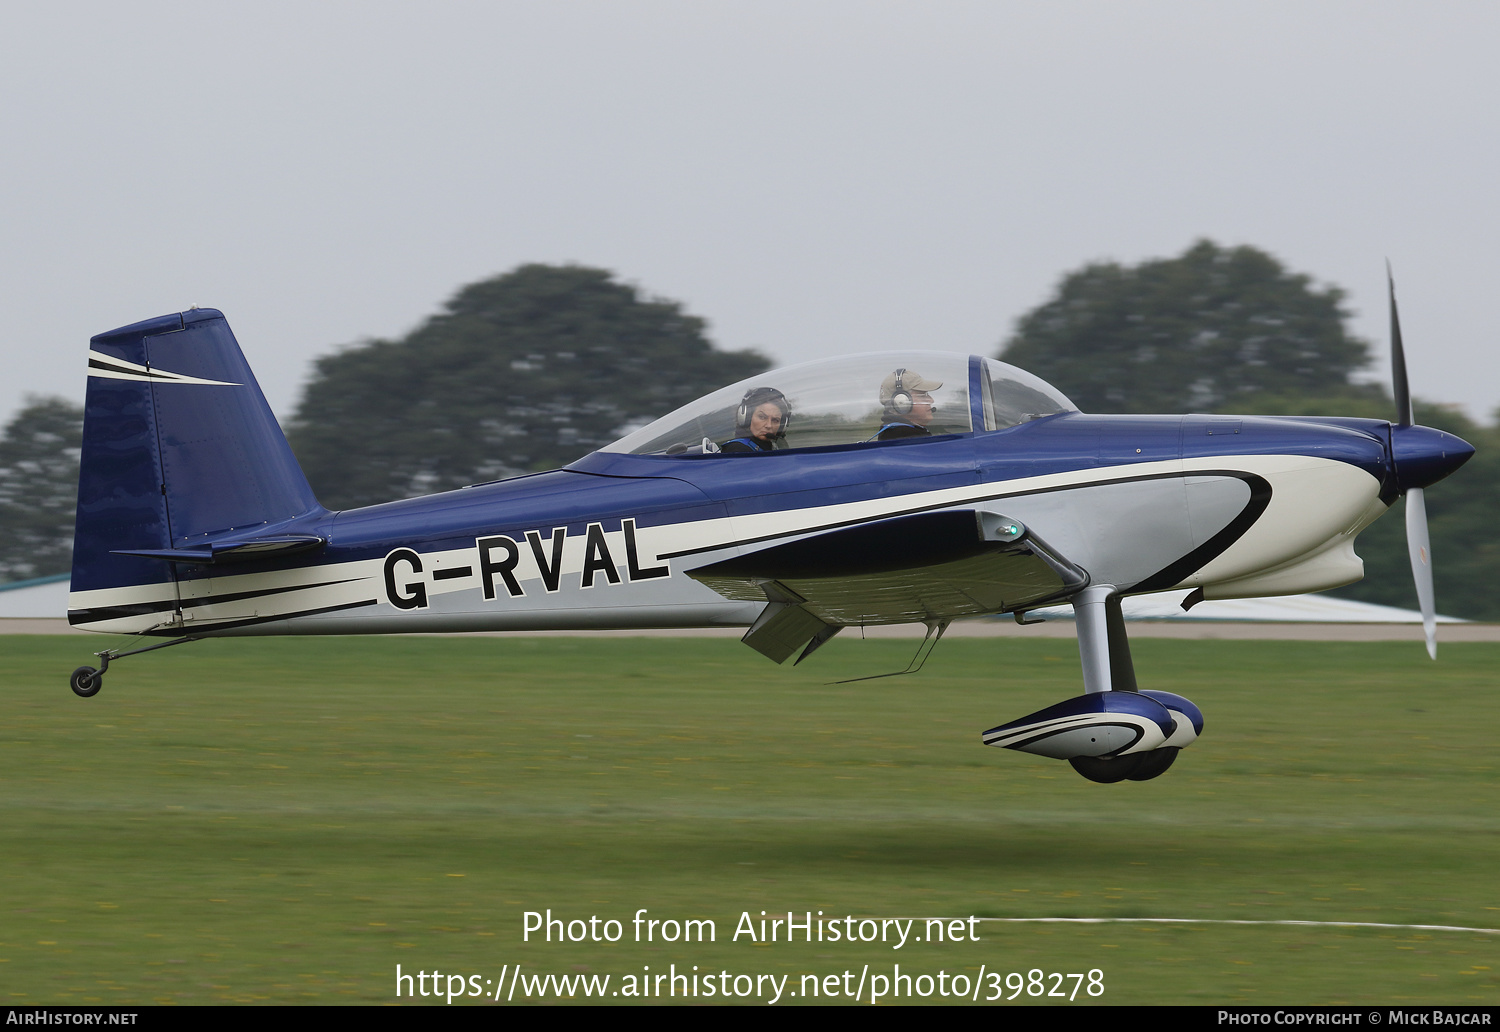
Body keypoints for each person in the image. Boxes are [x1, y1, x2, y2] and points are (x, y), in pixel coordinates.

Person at [872, 368, 942, 441]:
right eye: (922, 395)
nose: (931, 400)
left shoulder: (899, 434)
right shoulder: (906, 439)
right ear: (901, 402)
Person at [720, 388, 789, 453]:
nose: (769, 425)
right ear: (746, 418)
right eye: (762, 417)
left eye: (775, 420)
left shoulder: (777, 447)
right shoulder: (737, 449)